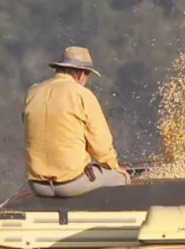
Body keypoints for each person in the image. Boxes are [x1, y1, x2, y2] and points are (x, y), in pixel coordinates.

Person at [23, 46, 131, 198]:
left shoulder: (33, 92)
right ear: (81, 74)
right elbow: (100, 143)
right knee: (120, 178)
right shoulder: (82, 94)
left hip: (37, 185)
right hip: (70, 184)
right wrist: (113, 165)